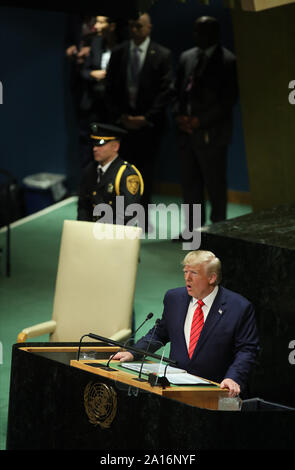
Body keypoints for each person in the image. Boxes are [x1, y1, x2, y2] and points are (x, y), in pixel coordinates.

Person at [112, 250, 259, 398]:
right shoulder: (174, 298)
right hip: (174, 389)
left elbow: (247, 350)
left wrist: (233, 378)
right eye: (185, 271)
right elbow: (160, 333)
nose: (187, 278)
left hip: (213, 391)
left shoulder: (239, 307)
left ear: (211, 278)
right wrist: (134, 352)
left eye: (194, 273)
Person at [105, 12, 173, 230]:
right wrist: (121, 117)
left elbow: (166, 90)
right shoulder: (118, 53)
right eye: (132, 26)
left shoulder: (162, 54)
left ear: (149, 27)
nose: (135, 30)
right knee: (122, 173)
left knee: (145, 173)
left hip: (149, 126)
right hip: (123, 125)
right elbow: (110, 88)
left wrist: (146, 118)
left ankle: (142, 219)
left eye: (139, 26)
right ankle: (124, 217)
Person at [173, 16, 238, 232]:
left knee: (215, 185)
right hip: (186, 133)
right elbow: (177, 93)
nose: (197, 36)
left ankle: (219, 232)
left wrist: (200, 120)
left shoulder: (227, 61)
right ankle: (192, 231)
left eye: (202, 32)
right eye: (195, 31)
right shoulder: (186, 57)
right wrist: (179, 116)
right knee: (190, 185)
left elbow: (228, 101)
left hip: (213, 133)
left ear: (215, 34)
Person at [77, 123, 144, 224]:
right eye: (94, 143)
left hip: (116, 232)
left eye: (101, 143)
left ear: (115, 146)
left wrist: (104, 231)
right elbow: (83, 205)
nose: (95, 149)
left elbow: (130, 212)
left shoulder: (127, 174)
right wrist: (84, 227)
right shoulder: (90, 170)